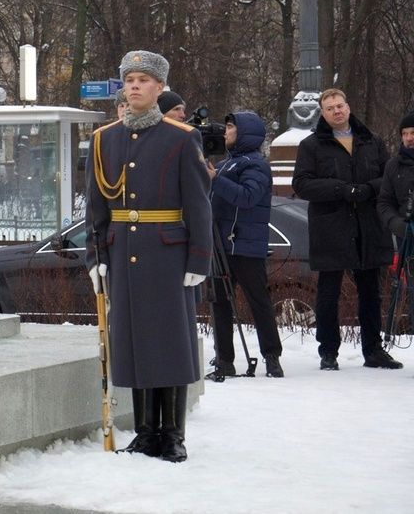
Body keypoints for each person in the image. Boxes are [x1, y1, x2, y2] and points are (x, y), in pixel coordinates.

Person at [85, 51, 212, 463]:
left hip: (168, 254)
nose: (135, 86)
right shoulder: (105, 138)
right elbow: (96, 208)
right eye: (130, 80)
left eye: (143, 80)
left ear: (159, 88)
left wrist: (198, 260)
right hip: (124, 253)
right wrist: (96, 255)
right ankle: (145, 431)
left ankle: (173, 435)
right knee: (135, 341)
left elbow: (198, 204)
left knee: (170, 343)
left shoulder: (180, 137)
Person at [292, 88, 402, 370]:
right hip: (331, 228)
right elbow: (302, 184)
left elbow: (389, 178)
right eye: (330, 108)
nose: (336, 111)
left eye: (340, 106)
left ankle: (373, 350)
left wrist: (366, 190)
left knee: (371, 292)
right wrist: (342, 189)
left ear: (348, 107)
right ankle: (328, 351)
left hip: (369, 227)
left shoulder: (372, 141)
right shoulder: (311, 145)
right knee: (328, 294)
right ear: (323, 113)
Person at [205, 112, 283, 378]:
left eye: (230, 127)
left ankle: (272, 357)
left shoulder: (256, 164)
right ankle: (224, 358)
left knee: (258, 301)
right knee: (219, 303)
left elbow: (248, 197)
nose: (225, 132)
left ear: (245, 132)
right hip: (221, 245)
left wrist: (216, 180)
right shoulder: (229, 163)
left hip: (246, 246)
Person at [377, 111, 414, 263]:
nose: (409, 138)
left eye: (413, 133)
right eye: (404, 133)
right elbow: (384, 202)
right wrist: (396, 224)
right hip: (407, 238)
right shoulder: (393, 165)